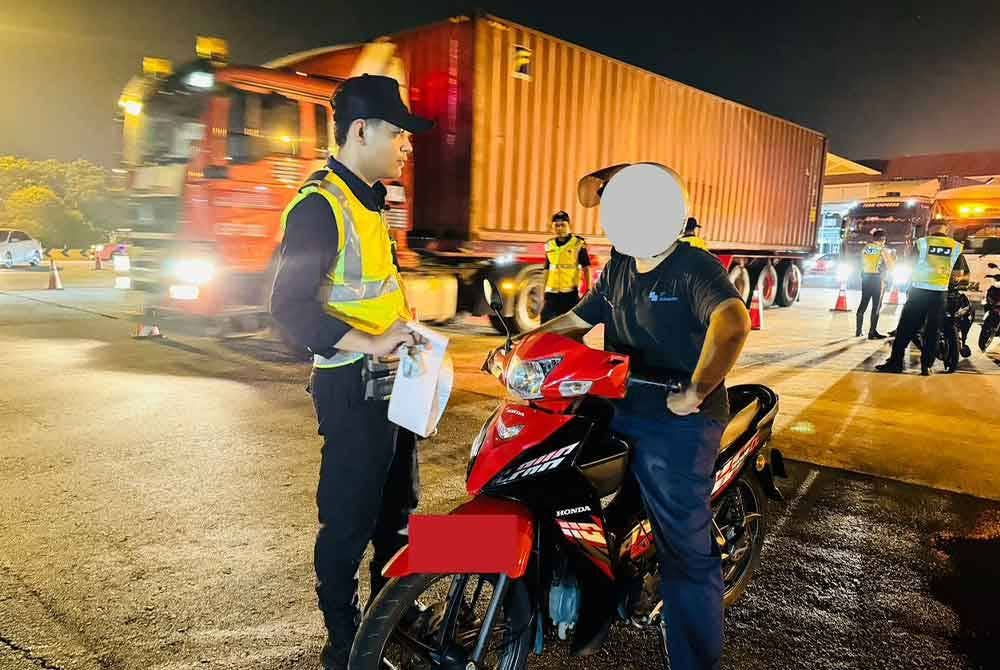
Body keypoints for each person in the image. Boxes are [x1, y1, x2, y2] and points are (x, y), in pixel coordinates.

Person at [523, 163, 751, 670]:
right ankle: (597, 591)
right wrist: (524, 345)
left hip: (678, 419)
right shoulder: (620, 266)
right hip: (620, 404)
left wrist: (696, 389)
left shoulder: (693, 266)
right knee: (554, 479)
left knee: (684, 552)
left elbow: (732, 322)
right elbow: (577, 319)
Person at [268, 74, 434, 670]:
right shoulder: (320, 206)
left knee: (399, 509)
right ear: (361, 130)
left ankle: (397, 611)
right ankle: (344, 639)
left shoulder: (370, 200)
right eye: (398, 132)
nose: (407, 144)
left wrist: (404, 334)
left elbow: (374, 292)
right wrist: (371, 341)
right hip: (350, 387)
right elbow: (288, 309)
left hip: (394, 383)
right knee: (348, 519)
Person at [876, 222, 969, 375]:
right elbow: (958, 275)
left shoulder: (922, 243)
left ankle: (896, 363)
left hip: (919, 292)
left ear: (929, 228)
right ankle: (926, 366)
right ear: (946, 229)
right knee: (933, 330)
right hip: (939, 294)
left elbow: (909, 266)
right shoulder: (956, 247)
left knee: (905, 328)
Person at [541, 210, 591, 322]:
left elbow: (586, 268)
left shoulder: (577, 244)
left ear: (569, 226)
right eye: (556, 225)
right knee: (545, 323)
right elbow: (547, 269)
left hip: (569, 294)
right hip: (551, 294)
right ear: (552, 227)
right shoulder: (549, 245)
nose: (559, 228)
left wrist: (588, 289)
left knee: (567, 325)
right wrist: (542, 291)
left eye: (563, 225)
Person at [856, 228, 894, 339]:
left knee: (863, 303)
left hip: (865, 278)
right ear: (883, 239)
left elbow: (860, 263)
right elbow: (890, 266)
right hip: (878, 279)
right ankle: (872, 332)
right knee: (876, 306)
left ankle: (858, 331)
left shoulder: (866, 248)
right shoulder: (882, 250)